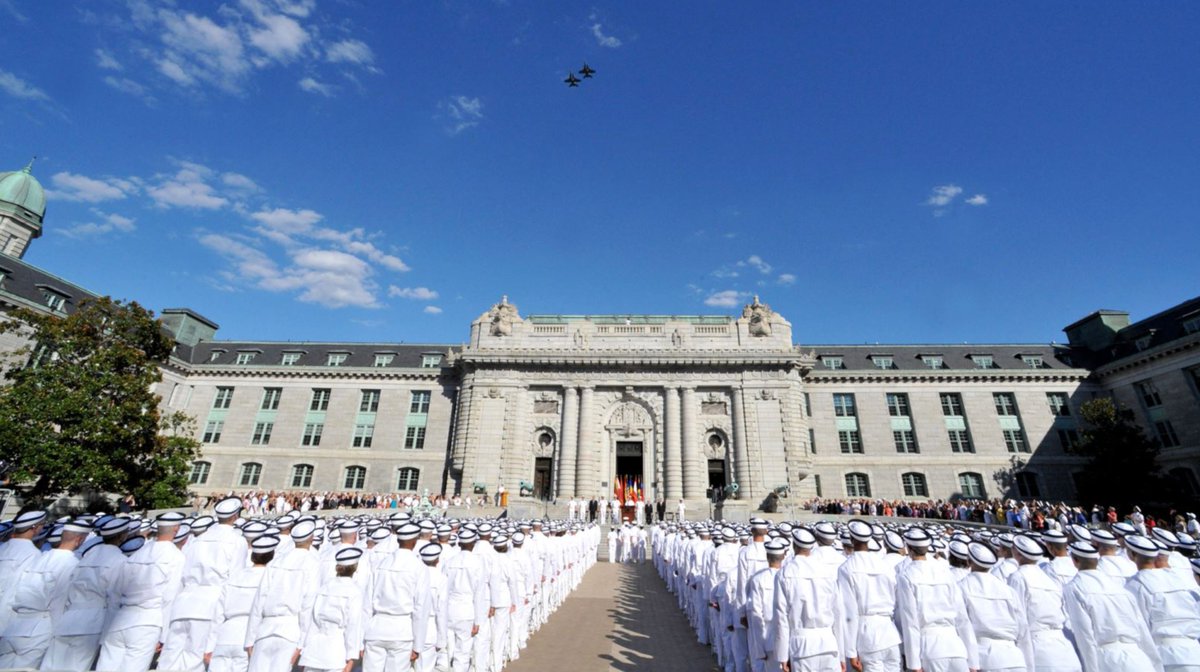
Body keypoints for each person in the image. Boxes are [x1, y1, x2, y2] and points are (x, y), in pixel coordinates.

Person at [160, 496, 248, 672]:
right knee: (194, 659)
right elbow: (234, 580)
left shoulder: (197, 539)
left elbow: (182, 576)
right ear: (235, 516)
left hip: (184, 602)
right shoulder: (237, 541)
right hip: (210, 605)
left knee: (170, 657)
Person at [97, 512, 187, 672]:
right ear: (176, 529)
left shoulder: (139, 553)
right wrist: (164, 635)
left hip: (121, 618)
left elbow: (115, 593)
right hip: (148, 621)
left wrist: (108, 627)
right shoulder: (176, 556)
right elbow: (169, 598)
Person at [1063, 540, 1163, 672]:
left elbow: (1085, 637)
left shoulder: (1074, 588)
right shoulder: (1121, 589)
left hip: (1108, 661)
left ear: (1075, 561)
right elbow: (1143, 634)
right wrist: (1156, 666)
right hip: (1138, 658)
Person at [0, 519, 86, 669]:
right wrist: (57, 632)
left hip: (15, 624)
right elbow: (59, 603)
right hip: (39, 627)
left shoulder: (41, 557)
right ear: (79, 540)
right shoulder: (71, 563)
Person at [895, 526, 978, 672]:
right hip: (956, 647)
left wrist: (914, 663)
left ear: (909, 548)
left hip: (930, 647)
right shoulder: (944, 572)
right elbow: (962, 618)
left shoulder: (906, 575)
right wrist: (973, 661)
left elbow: (910, 622)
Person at [244, 519, 320, 672]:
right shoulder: (313, 563)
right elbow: (308, 606)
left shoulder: (276, 561)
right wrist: (303, 643)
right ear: (311, 538)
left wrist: (250, 638)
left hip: (265, 628)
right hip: (290, 631)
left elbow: (259, 601)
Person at [1122, 534, 1200, 672]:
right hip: (1194, 652)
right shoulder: (1181, 578)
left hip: (1167, 657)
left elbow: (1141, 628)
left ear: (1133, 555)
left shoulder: (1135, 585)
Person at [1007, 534, 1082, 672]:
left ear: (1018, 554)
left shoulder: (1018, 577)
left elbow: (1017, 617)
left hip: (1039, 649)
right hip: (1064, 647)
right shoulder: (1046, 576)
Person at [773, 527, 844, 672]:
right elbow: (838, 613)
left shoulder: (784, 574)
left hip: (802, 646)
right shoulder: (826, 571)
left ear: (794, 545)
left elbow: (781, 619)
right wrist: (842, 655)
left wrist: (782, 656)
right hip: (829, 644)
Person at [364, 522, 431, 672]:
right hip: (401, 631)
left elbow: (367, 604)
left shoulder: (381, 564)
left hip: (376, 627)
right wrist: (418, 645)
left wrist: (362, 636)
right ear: (414, 542)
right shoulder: (419, 567)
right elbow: (420, 609)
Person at [205, 534, 277, 672]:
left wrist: (209, 646)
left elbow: (218, 614)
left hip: (224, 635)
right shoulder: (270, 580)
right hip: (248, 637)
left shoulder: (235, 577)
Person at [837, 520, 903, 672]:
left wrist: (851, 651)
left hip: (867, 636)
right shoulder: (884, 565)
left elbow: (849, 612)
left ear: (852, 539)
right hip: (890, 633)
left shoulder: (846, 568)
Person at [958, 542, 1032, 671]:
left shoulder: (961, 587)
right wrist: (1029, 666)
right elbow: (1023, 631)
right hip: (1015, 658)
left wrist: (971, 663)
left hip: (984, 658)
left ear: (969, 561)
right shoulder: (1008, 590)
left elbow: (963, 626)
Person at [298, 547, 365, 672]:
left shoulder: (325, 587)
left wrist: (305, 650)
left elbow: (313, 622)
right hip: (336, 651)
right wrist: (351, 658)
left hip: (315, 649)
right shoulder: (354, 591)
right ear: (355, 568)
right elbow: (353, 626)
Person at [746, 538, 785, 672]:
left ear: (767, 557)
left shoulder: (758, 579)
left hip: (768, 636)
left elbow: (756, 616)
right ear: (783, 557)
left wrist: (759, 649)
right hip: (789, 638)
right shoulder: (789, 576)